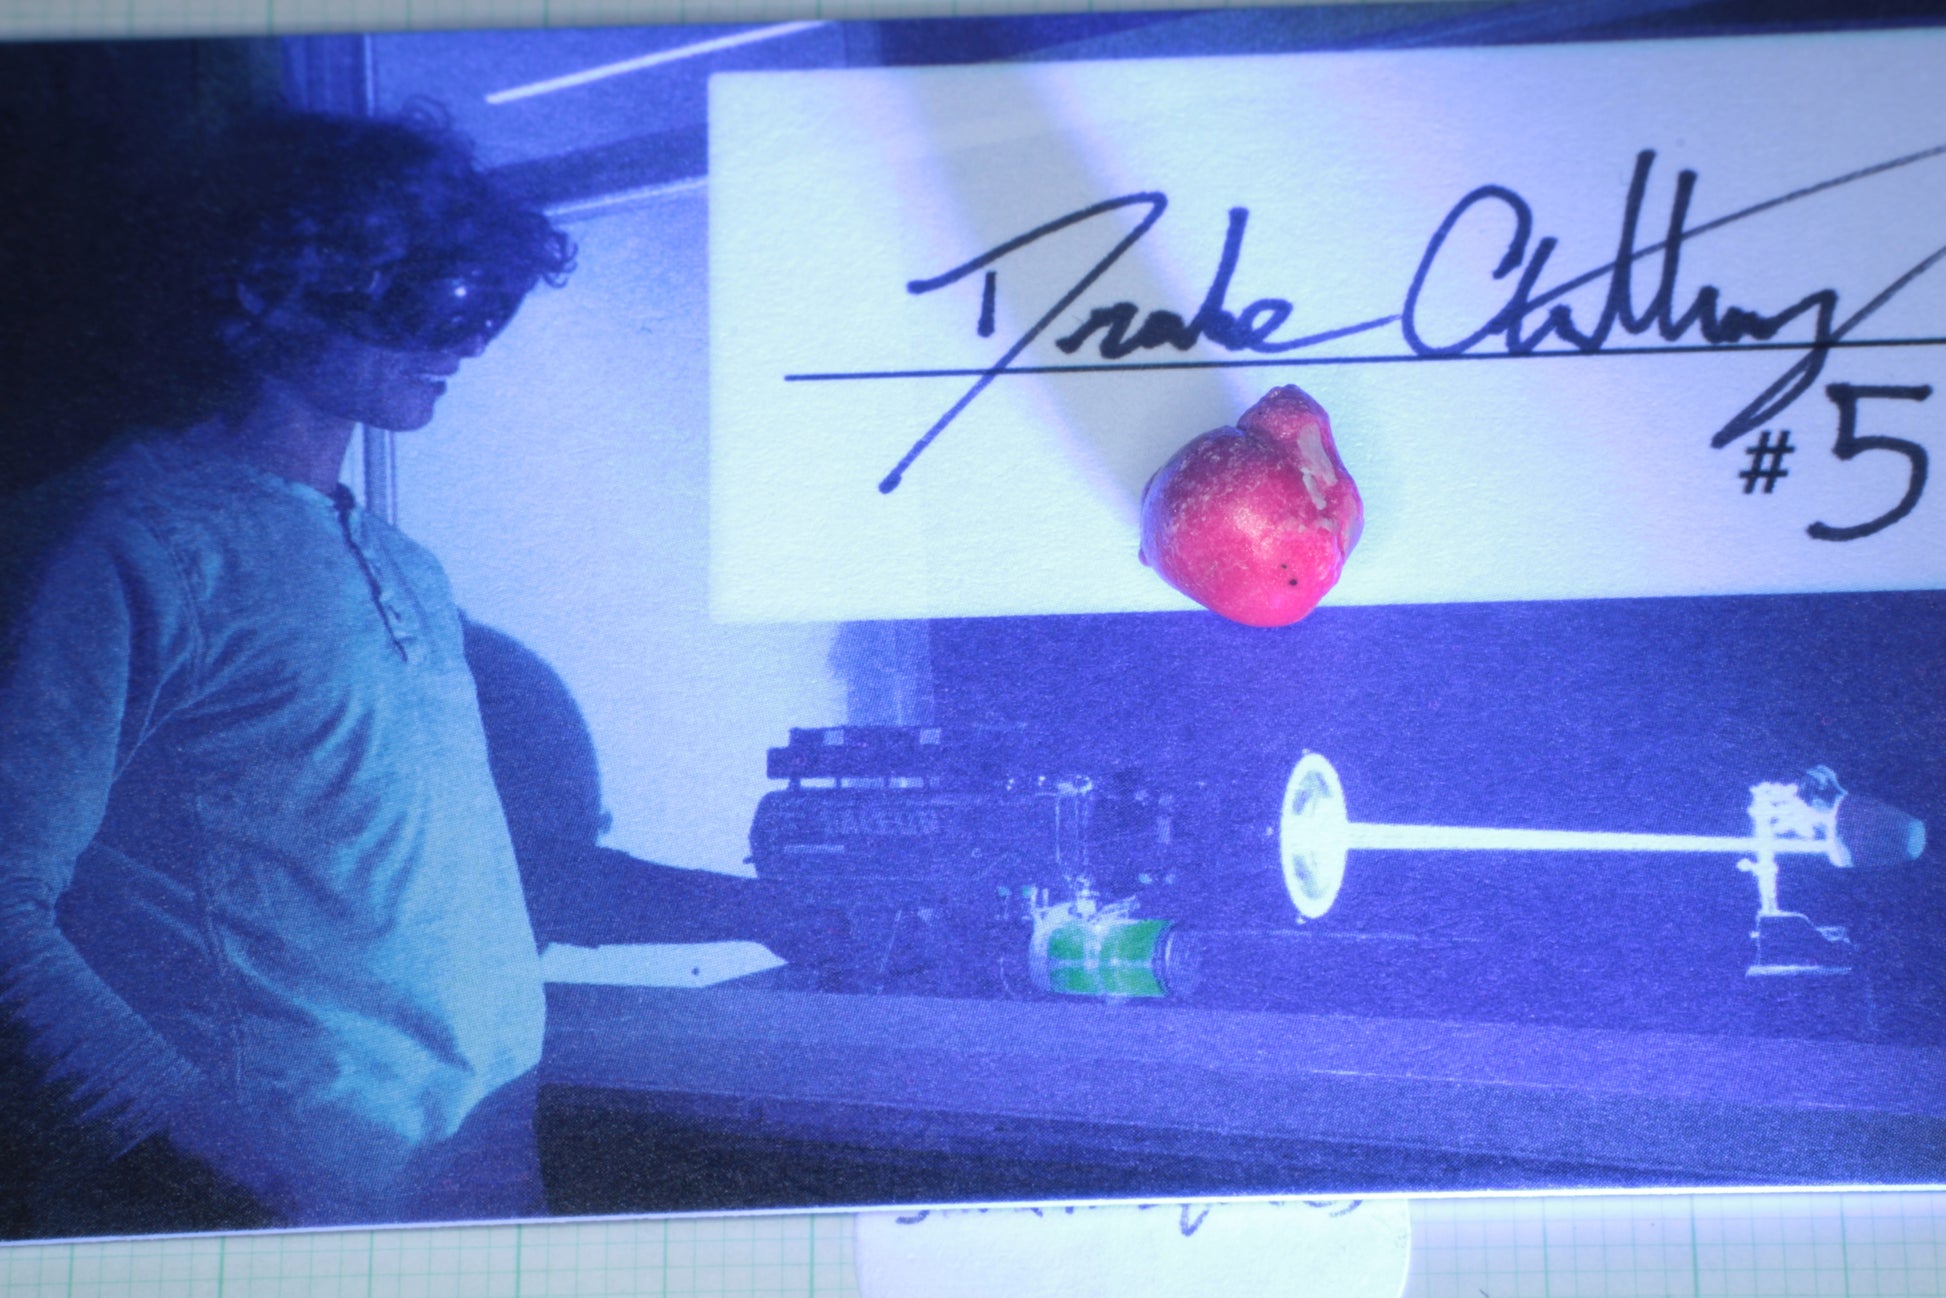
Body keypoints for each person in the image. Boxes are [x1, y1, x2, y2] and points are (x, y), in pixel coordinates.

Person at [0, 108, 575, 1234]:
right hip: (278, 1210)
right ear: (280, 287)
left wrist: (768, 909)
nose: (467, 340)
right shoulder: (126, 543)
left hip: (473, 1187)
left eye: (488, 303)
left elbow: (433, 888)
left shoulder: (407, 569)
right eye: (432, 297)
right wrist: (222, 1159)